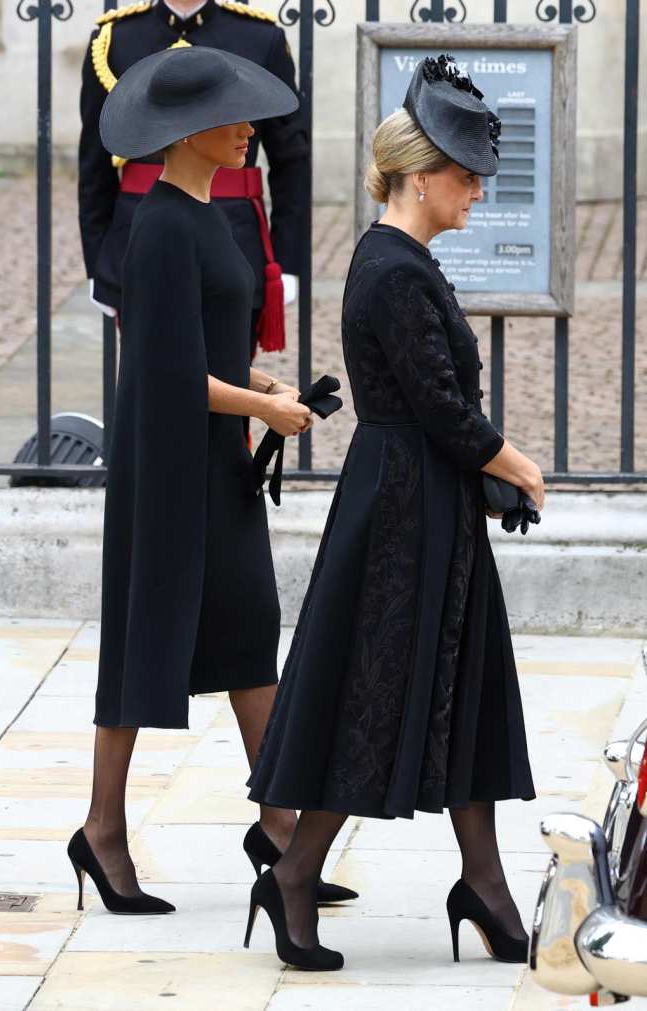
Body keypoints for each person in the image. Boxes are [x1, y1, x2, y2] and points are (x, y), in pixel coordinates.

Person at [246, 55, 545, 971]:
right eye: (464, 176)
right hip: (403, 515)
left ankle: (484, 883)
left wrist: (485, 472)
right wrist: (519, 464)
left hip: (425, 502)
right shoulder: (391, 273)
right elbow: (443, 410)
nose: (477, 190)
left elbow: (439, 412)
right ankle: (296, 870)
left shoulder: (401, 261)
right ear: (420, 179)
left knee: (464, 687)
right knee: (371, 696)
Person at [66, 46, 356, 916]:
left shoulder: (210, 221)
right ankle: (103, 830)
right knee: (142, 641)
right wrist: (260, 410)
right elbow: (164, 370)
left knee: (245, 628)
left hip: (217, 461)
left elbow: (212, 345)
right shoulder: (155, 229)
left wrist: (261, 385)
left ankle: (277, 827)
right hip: (169, 470)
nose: (247, 133)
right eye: (232, 122)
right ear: (186, 133)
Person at [79, 0, 309, 356]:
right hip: (138, 232)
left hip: (236, 234)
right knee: (153, 373)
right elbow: (94, 163)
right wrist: (98, 261)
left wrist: (287, 262)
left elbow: (290, 161)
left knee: (231, 373)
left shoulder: (260, 36)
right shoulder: (115, 38)